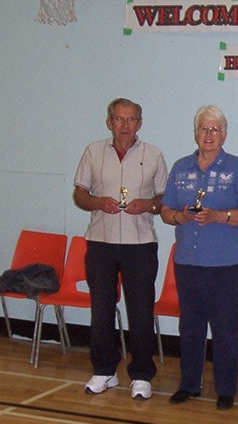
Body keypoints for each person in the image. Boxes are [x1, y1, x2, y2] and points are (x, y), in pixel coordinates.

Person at [160, 105, 238, 411]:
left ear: (224, 134)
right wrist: (180, 217)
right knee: (190, 327)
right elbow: (165, 211)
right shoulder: (180, 167)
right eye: (203, 128)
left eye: (214, 129)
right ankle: (189, 384)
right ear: (195, 133)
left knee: (225, 329)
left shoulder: (237, 168)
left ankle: (225, 390)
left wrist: (220, 216)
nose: (208, 135)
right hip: (188, 261)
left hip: (226, 264)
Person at [74, 97, 168, 400]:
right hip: (100, 242)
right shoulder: (93, 152)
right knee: (100, 310)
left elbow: (164, 200)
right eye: (119, 119)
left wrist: (149, 205)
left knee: (140, 312)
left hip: (140, 245)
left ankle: (141, 375)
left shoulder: (154, 155)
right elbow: (80, 194)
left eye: (131, 120)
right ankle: (104, 371)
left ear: (140, 123)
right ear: (109, 122)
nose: (125, 126)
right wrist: (98, 202)